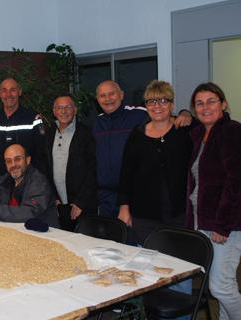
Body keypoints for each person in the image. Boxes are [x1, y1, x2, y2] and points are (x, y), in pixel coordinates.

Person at [93, 80, 192, 217]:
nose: (107, 99)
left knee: (135, 237)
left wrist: (185, 113)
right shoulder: (96, 123)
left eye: (111, 94)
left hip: (134, 196)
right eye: (102, 95)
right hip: (105, 198)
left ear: (121, 95)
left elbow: (162, 113)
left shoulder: (139, 114)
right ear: (97, 99)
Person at [187, 82, 241, 320]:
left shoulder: (232, 131)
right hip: (204, 220)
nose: (205, 107)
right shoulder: (198, 134)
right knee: (219, 285)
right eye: (199, 103)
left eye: (211, 101)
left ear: (224, 104)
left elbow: (236, 182)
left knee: (220, 286)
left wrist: (223, 225)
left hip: (226, 225)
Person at [117, 80, 194, 245]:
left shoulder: (185, 131)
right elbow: (126, 174)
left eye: (163, 100)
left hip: (179, 214)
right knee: (150, 263)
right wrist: (124, 207)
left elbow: (212, 122)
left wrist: (187, 113)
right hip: (144, 216)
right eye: (151, 101)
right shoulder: (136, 135)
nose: (157, 106)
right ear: (146, 105)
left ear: (172, 104)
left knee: (178, 261)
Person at [0, 144, 59, 228]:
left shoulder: (39, 182)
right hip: (16, 232)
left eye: (17, 159)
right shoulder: (3, 180)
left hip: (45, 234)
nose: (13, 165)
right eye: (8, 161)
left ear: (28, 160)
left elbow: (30, 212)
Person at [46, 94, 97, 231]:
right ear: (54, 111)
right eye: (59, 108)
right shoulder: (48, 133)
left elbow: (93, 170)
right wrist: (53, 197)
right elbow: (45, 168)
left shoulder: (86, 134)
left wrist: (80, 203)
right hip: (58, 205)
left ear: (75, 110)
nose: (63, 111)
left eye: (68, 107)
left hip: (80, 206)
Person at [0, 78, 46, 178]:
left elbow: (41, 153)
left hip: (27, 181)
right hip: (0, 182)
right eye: (4, 90)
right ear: (0, 94)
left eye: (12, 90)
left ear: (19, 92)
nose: (8, 95)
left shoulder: (33, 119)